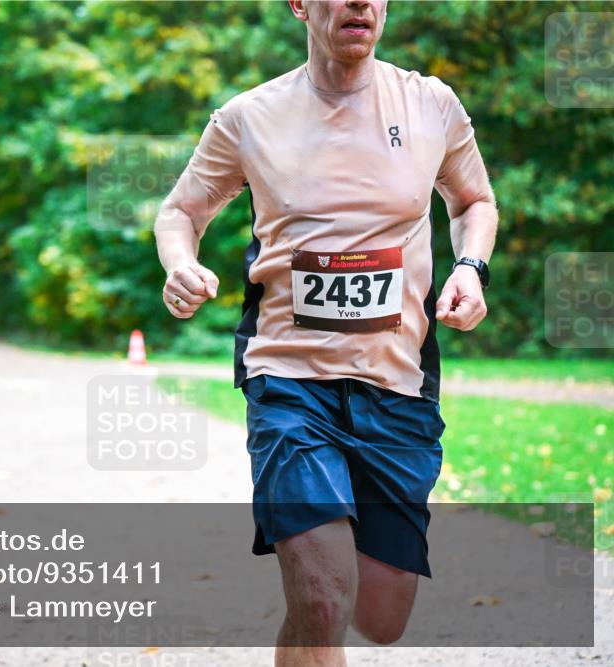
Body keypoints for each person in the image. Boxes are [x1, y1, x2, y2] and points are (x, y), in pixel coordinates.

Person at [153, 1, 497, 665]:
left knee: (380, 613)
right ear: (300, 5)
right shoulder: (250, 117)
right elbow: (181, 212)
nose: (360, 2)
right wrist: (181, 263)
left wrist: (471, 269)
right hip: (288, 379)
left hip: (398, 380)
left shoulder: (430, 105)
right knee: (321, 596)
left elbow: (474, 200)